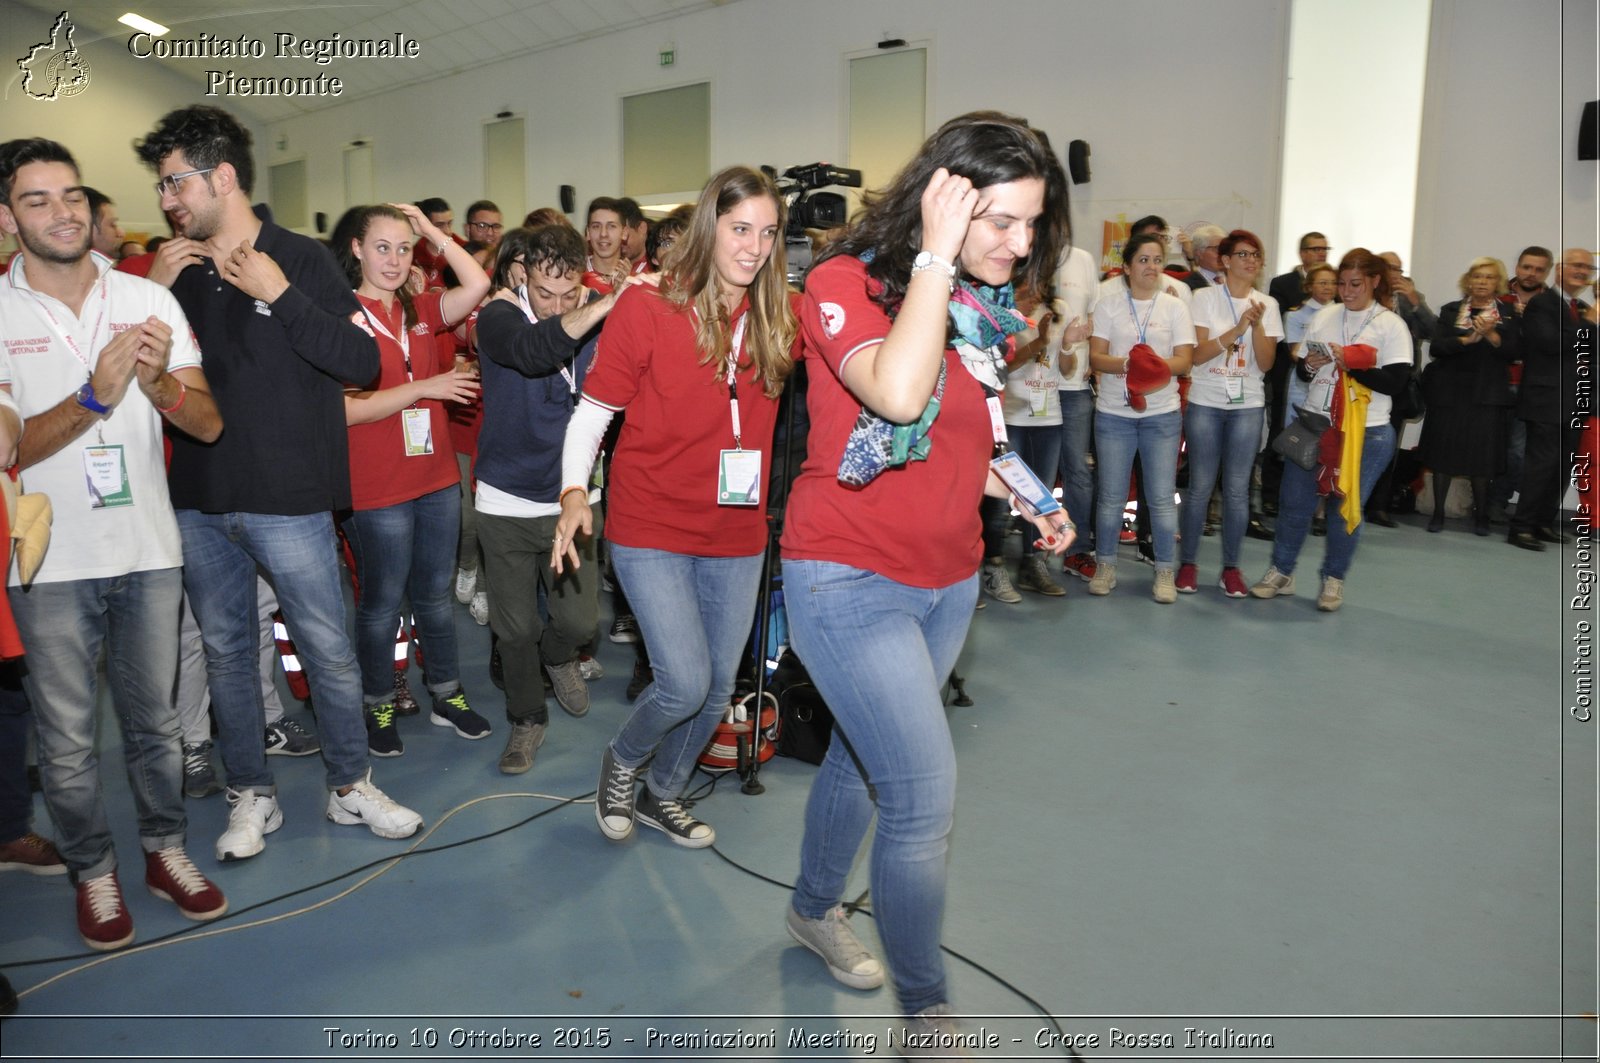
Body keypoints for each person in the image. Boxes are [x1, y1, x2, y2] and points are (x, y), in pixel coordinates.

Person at [779, 112, 1073, 1044]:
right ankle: (927, 1003)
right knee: (920, 795)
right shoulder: (839, 283)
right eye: (999, 221)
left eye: (1030, 225)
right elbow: (899, 393)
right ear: (942, 203)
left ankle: (813, 906)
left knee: (861, 763)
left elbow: (965, 429)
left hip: (948, 576)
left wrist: (1024, 490)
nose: (1018, 245)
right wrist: (939, 261)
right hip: (845, 574)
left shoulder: (982, 302)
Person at [135, 105, 422, 860]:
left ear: (221, 177)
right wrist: (149, 293)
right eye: (162, 185)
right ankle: (249, 792)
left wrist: (281, 292)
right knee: (229, 653)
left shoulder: (301, 257)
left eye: (175, 182)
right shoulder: (174, 272)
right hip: (201, 499)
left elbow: (362, 365)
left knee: (326, 648)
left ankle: (350, 783)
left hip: (290, 499)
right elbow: (133, 381)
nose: (166, 199)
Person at [0, 137, 227, 949]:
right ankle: (92, 870)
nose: (61, 212)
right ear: (6, 217)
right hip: (48, 563)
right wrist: (96, 399)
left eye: (70, 195)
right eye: (37, 199)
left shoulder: (149, 301)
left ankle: (166, 851)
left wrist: (159, 383)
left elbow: (207, 423)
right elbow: (11, 446)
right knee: (65, 739)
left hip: (148, 550)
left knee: (156, 725)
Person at [553, 166, 794, 849]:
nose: (753, 246)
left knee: (717, 688)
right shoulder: (649, 305)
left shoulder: (780, 314)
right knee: (683, 680)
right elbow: (593, 413)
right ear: (709, 226)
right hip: (651, 522)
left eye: (767, 233)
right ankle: (625, 760)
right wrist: (575, 491)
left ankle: (664, 790)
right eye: (740, 228)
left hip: (736, 528)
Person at [474, 224, 637, 773]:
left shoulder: (597, 310)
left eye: (570, 294)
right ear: (522, 275)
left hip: (575, 497)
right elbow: (534, 351)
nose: (557, 305)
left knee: (578, 623)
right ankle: (526, 718)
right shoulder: (498, 317)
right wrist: (600, 306)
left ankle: (560, 657)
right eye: (546, 293)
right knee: (514, 628)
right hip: (504, 501)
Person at [338, 204, 491, 756]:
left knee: (434, 597)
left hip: (435, 479)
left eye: (404, 249)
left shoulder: (425, 308)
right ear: (356, 248)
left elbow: (478, 282)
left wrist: (434, 234)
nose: (395, 260)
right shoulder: (339, 317)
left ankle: (446, 693)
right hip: (376, 488)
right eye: (383, 247)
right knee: (380, 603)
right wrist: (428, 386)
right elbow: (346, 409)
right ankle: (378, 700)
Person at [1252, 249, 1412, 610]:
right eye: (1342, 283)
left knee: (1345, 511)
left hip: (1366, 433)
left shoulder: (1390, 324)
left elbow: (1396, 383)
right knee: (1294, 505)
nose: (1347, 291)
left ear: (1374, 281)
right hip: (1314, 424)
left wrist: (1352, 364)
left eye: (1355, 284)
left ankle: (1333, 580)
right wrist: (1310, 365)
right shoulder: (1325, 315)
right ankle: (1281, 572)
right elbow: (1303, 374)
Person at [1087, 231, 1195, 602]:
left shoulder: (1175, 307)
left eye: (1157, 260)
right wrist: (1130, 365)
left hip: (1162, 415)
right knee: (1111, 496)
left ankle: (1165, 571)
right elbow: (1096, 357)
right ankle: (1105, 564)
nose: (1151, 267)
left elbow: (1184, 360)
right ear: (1128, 267)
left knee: (1162, 496)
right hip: (1114, 414)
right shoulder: (1108, 305)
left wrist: (1152, 368)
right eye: (1144, 260)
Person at [1179, 229, 1282, 597]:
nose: (1251, 260)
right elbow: (1197, 355)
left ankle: (1231, 568)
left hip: (1247, 406)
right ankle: (1188, 564)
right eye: (1242, 254)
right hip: (1206, 401)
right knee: (1200, 489)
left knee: (1238, 492)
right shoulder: (1203, 298)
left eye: (1256, 254)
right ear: (1224, 260)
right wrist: (1237, 328)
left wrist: (1255, 327)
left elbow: (1267, 364)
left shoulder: (1267, 304)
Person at [1508, 246, 1597, 550]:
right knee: (1541, 465)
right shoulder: (1543, 303)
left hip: (1575, 399)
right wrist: (1591, 324)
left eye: (1588, 268)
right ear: (1559, 269)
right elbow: (1549, 343)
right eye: (1577, 266)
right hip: (1545, 399)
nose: (1582, 272)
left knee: (1562, 465)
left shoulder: (1581, 308)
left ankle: (1542, 523)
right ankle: (1520, 527)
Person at [1420, 257, 1517, 535]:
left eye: (1488, 277)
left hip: (1488, 395)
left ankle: (1482, 517)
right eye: (1477, 276)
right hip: (1451, 394)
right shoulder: (1452, 310)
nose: (1482, 282)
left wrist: (1492, 336)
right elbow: (1437, 348)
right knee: (1443, 456)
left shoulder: (1508, 312)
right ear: (1468, 280)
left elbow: (1515, 352)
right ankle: (1438, 513)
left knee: (1483, 459)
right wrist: (1465, 340)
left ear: (1496, 282)